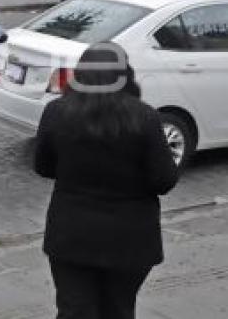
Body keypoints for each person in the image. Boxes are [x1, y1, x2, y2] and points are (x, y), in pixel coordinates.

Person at [35, 43, 179, 319]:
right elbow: (164, 180)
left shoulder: (56, 111)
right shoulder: (145, 116)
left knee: (73, 309)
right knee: (119, 309)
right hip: (130, 236)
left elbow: (43, 166)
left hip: (71, 232)